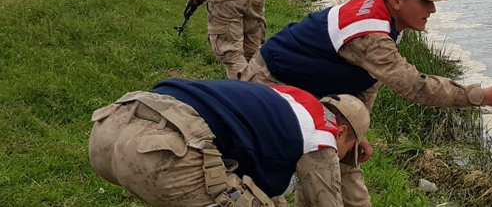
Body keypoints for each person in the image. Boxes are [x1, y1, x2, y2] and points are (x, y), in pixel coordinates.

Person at [240, 0, 492, 207]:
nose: (432, 9)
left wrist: (356, 132)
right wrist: (482, 96)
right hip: (272, 86)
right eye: (425, 1)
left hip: (310, 87)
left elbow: (368, 79)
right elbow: (414, 86)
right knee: (295, 171)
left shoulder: (389, 21)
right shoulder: (373, 35)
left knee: (346, 163)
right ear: (396, 0)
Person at [88, 79, 368, 207]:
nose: (338, 159)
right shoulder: (323, 139)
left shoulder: (289, 100)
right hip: (162, 151)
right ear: (342, 132)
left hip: (113, 124)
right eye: (345, 154)